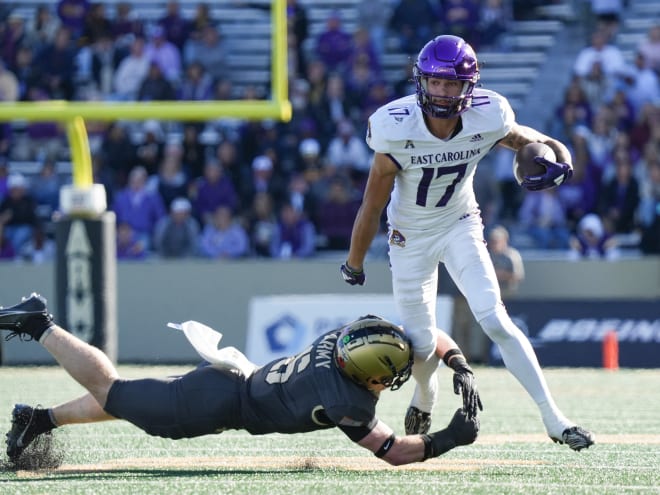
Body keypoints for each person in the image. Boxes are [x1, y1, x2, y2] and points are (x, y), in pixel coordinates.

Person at [340, 35, 594, 451]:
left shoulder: (488, 116)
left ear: (468, 87)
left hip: (460, 223)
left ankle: (554, 417)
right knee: (420, 343)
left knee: (494, 317)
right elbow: (372, 204)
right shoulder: (394, 127)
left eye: (452, 84)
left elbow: (530, 139)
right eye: (435, 82)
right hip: (410, 236)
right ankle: (426, 395)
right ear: (421, 82)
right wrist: (354, 261)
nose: (442, 92)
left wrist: (558, 156)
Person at [0, 294, 481, 468]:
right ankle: (40, 324)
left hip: (230, 381)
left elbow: (428, 336)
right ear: (371, 376)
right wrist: (449, 439)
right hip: (218, 403)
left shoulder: (347, 338)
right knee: (115, 392)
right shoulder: (345, 400)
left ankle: (39, 419)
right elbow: (393, 450)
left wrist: (457, 362)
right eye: (389, 376)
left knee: (129, 401)